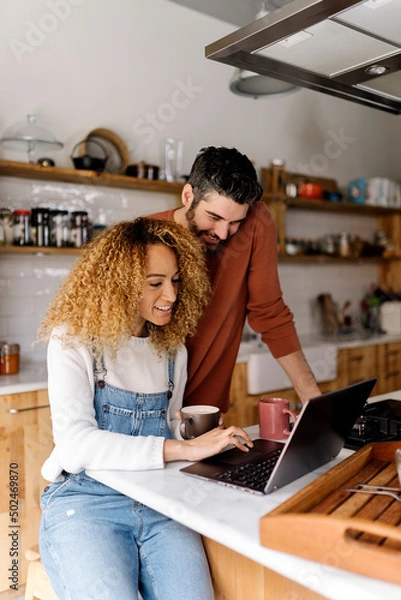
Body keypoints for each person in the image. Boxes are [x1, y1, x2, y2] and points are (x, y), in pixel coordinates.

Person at [37, 217, 253, 600]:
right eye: (155, 283)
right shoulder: (73, 339)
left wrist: (197, 436)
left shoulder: (172, 350)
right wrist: (184, 449)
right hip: (88, 501)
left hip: (159, 500)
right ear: (118, 285)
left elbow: (166, 427)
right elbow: (75, 444)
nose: (170, 295)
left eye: (175, 280)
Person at [150, 146, 321, 413]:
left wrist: (315, 403)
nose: (223, 233)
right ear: (187, 195)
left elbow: (270, 314)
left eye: (234, 222)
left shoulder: (255, 223)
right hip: (144, 413)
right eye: (214, 217)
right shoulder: (146, 236)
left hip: (205, 414)